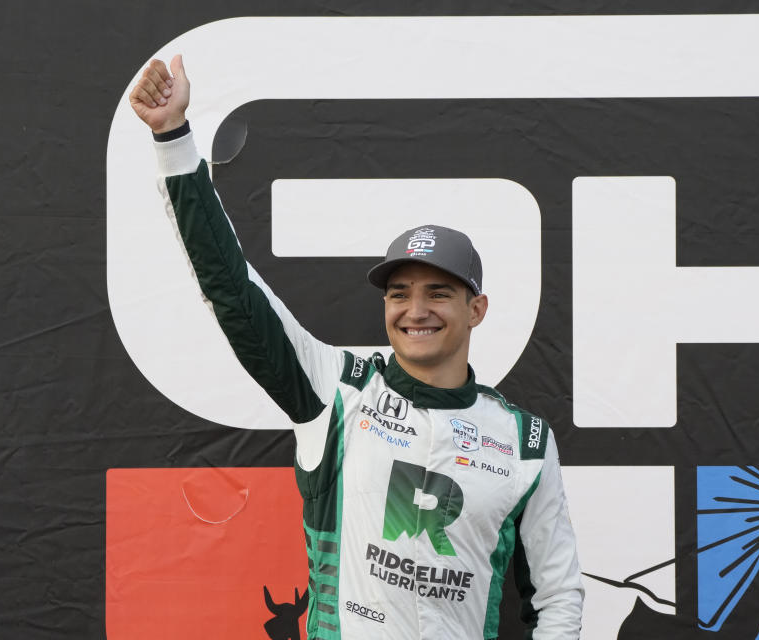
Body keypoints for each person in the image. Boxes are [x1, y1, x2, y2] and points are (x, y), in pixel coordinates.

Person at [130, 55, 584, 640]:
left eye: (438, 293)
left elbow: (559, 596)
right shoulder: (335, 390)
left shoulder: (523, 443)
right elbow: (233, 290)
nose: (415, 310)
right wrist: (173, 139)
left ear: (476, 309)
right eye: (399, 293)